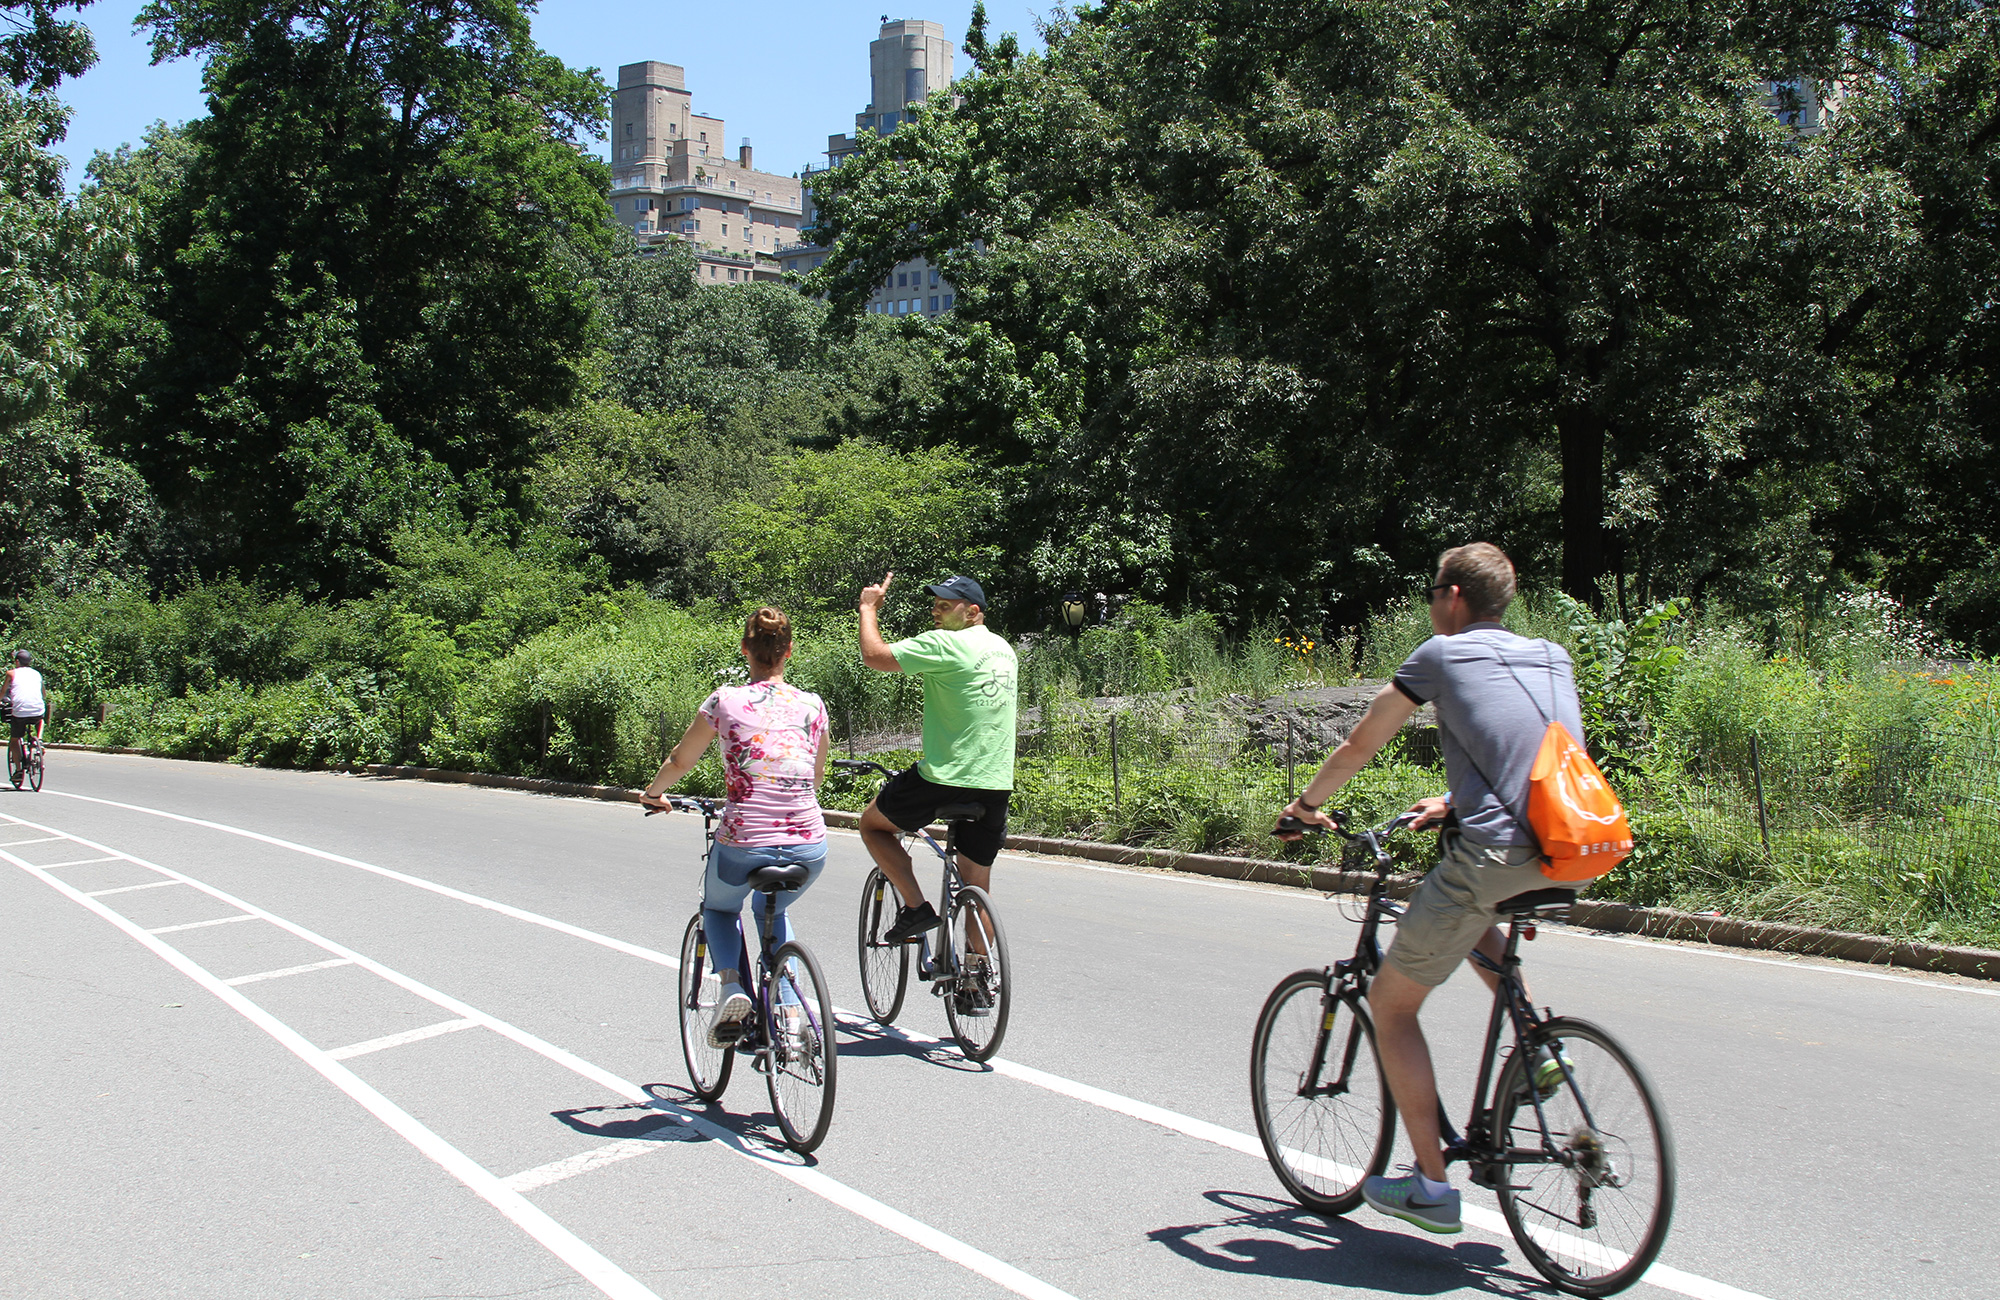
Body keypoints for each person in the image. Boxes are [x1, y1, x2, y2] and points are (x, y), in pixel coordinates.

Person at [1276, 542, 1604, 1235]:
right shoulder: (1551, 654)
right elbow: (1536, 750)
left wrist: (1305, 808)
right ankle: (1543, 1050)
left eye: (1433, 593)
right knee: (1462, 907)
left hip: (1497, 852)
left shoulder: (1440, 655)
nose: (1430, 606)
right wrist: (1454, 804)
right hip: (1572, 846)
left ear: (1454, 597)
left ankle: (1431, 1185)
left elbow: (1363, 742)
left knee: (1390, 1005)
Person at [641, 607, 830, 1049]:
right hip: (809, 842)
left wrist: (653, 794)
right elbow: (814, 778)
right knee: (776, 911)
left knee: (720, 909)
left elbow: (680, 761)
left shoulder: (724, 700)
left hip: (746, 839)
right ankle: (790, 1012)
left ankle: (731, 988)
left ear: (746, 649)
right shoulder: (813, 705)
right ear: (789, 651)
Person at [855, 571, 1018, 943]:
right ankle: (978, 980)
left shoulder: (946, 643)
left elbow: (874, 656)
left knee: (872, 825)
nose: (936, 611)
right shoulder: (1003, 649)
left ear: (973, 611)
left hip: (944, 778)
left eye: (946, 605)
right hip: (994, 783)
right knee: (978, 887)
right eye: (936, 604)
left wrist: (868, 608)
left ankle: (916, 908)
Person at [5, 650, 48, 770]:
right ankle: (39, 739)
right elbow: (43, 694)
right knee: (40, 719)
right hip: (37, 710)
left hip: (19, 712)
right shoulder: (37, 674)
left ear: (17, 661)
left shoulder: (11, 673)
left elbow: (2, 693)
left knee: (14, 739)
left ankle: (18, 770)